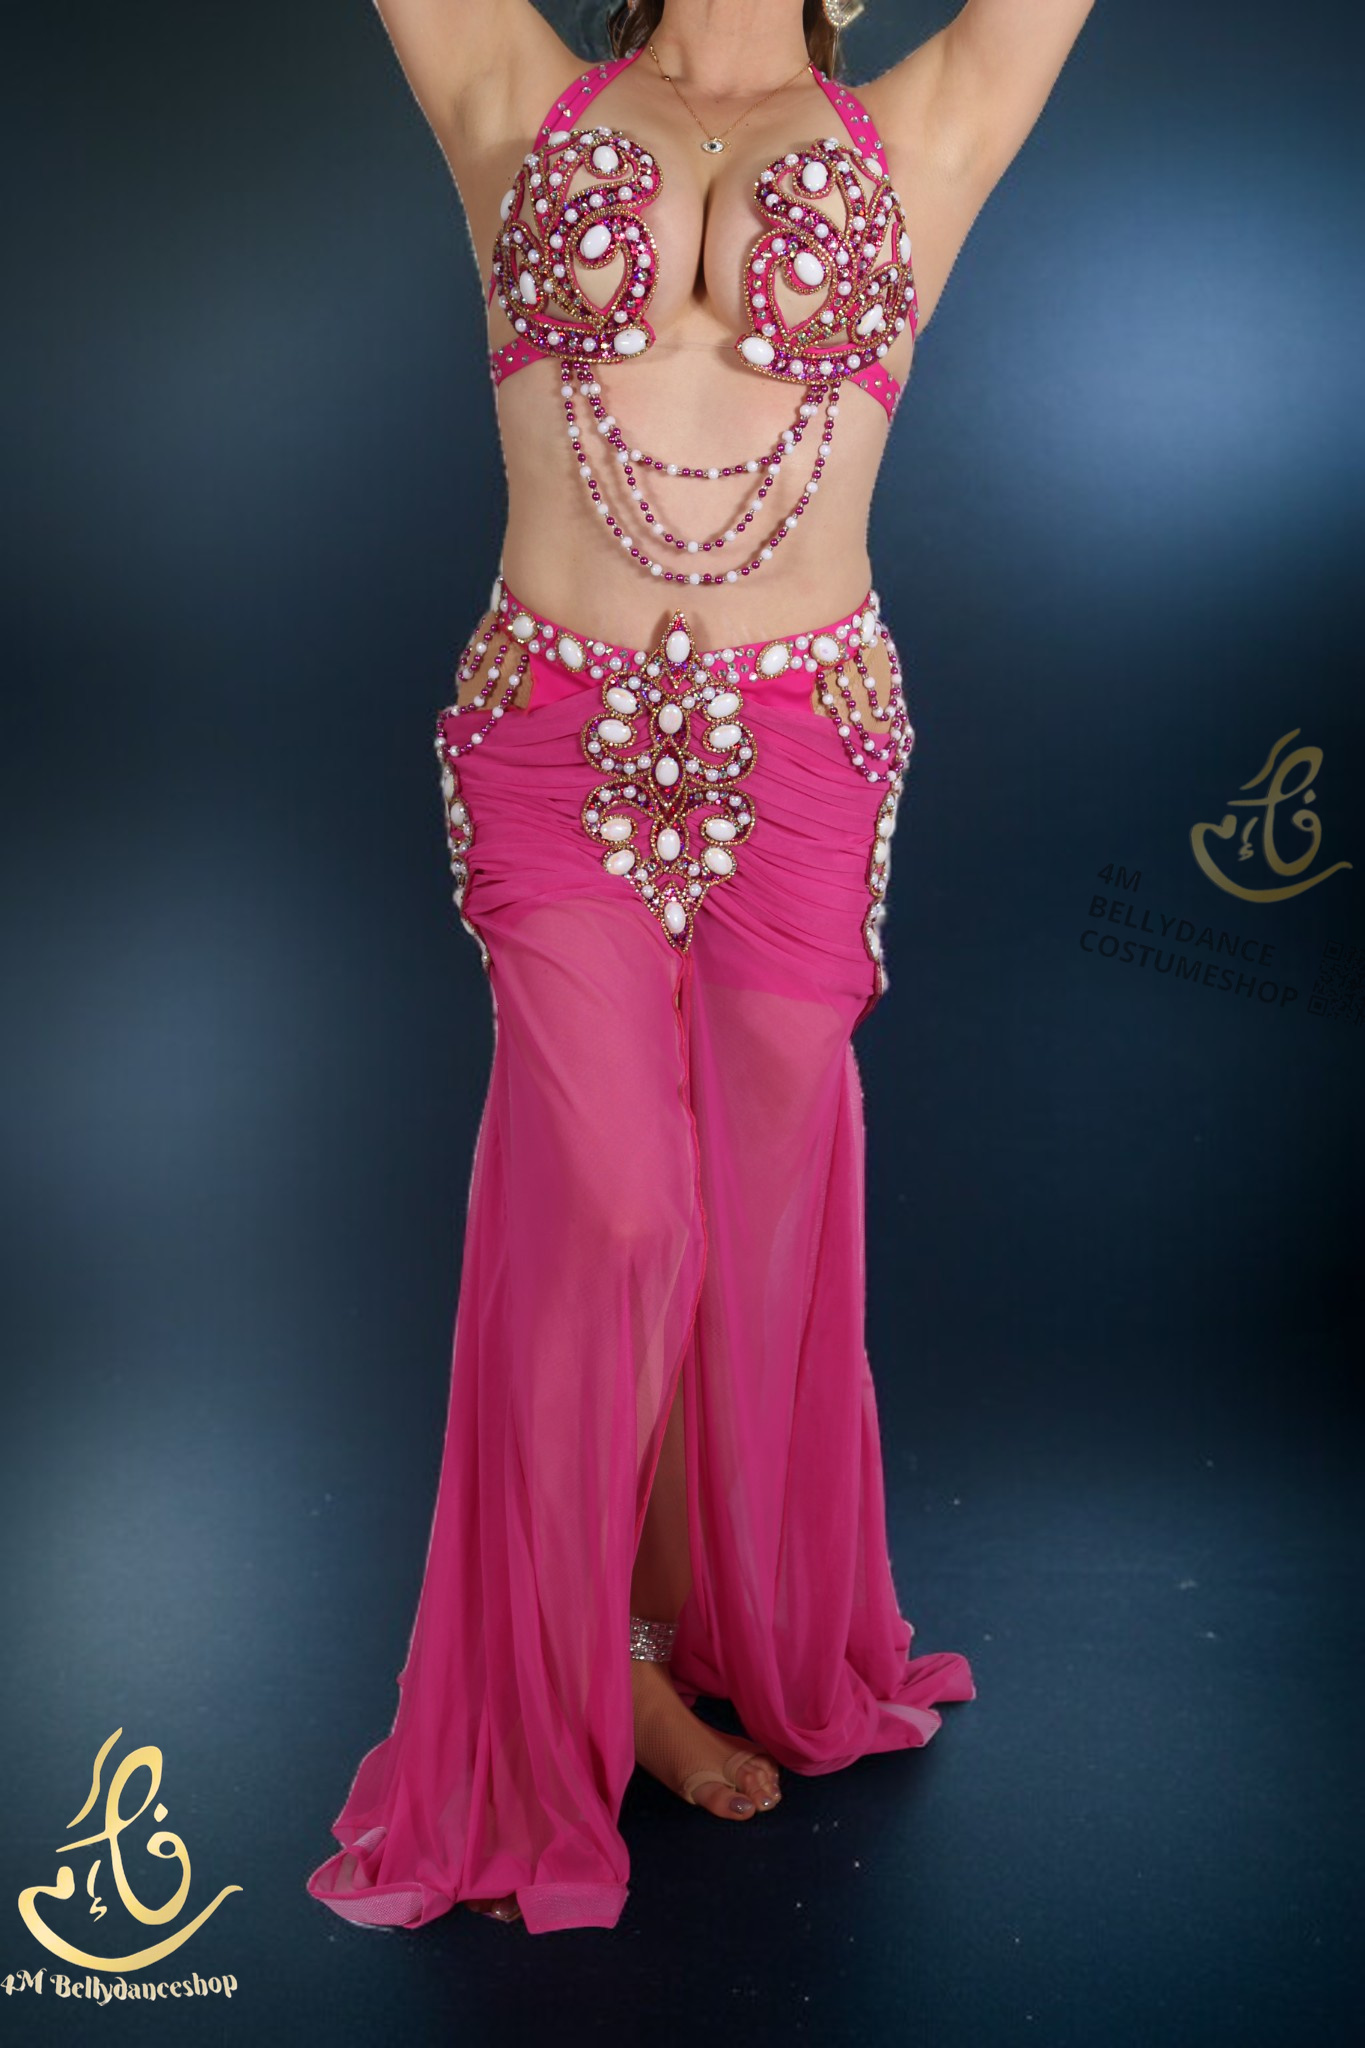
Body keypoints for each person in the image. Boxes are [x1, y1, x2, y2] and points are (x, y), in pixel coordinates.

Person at [306, 0, 1096, 1935]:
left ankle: (645, 1649)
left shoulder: (926, 122)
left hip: (806, 750)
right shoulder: (514, 85)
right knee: (618, 1206)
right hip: (555, 733)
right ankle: (558, 1683)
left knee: (743, 1224)